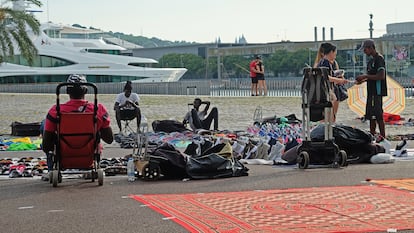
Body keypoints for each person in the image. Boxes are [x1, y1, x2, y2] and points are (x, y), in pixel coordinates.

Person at [42, 74, 114, 176]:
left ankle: (51, 168)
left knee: (44, 123)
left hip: (64, 153)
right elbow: (109, 139)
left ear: (67, 91)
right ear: (86, 91)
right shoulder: (99, 110)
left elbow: (46, 146)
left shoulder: (55, 111)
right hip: (88, 154)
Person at [356, 39, 387, 138]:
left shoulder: (379, 59)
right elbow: (371, 77)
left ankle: (383, 136)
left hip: (377, 92)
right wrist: (363, 80)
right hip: (371, 92)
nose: (364, 52)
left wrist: (365, 76)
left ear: (370, 48)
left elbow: (381, 76)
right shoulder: (370, 61)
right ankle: (372, 136)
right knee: (371, 116)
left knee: (378, 115)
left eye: (365, 50)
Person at [316, 42, 348, 122]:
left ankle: (329, 130)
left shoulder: (327, 62)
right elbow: (325, 76)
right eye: (335, 53)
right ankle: (328, 131)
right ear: (331, 52)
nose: (335, 55)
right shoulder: (325, 62)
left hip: (331, 91)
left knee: (330, 116)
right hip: (328, 92)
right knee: (329, 116)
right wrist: (339, 80)